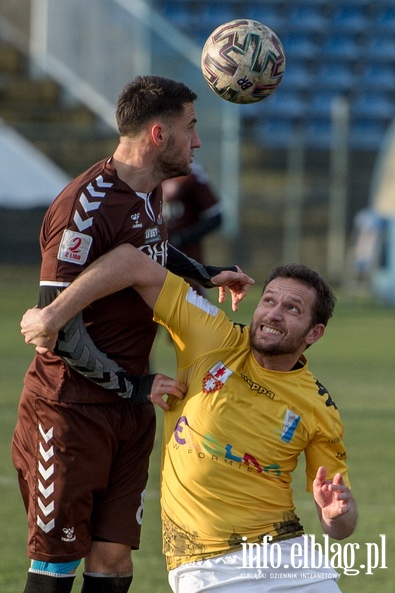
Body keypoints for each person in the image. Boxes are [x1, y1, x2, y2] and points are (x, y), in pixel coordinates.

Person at [12, 75, 253, 593]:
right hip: (69, 411)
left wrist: (205, 274)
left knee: (115, 561)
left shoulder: (150, 191)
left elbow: (147, 251)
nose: (199, 141)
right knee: (55, 569)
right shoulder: (86, 203)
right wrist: (134, 387)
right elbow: (54, 324)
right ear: (158, 134)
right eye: (192, 127)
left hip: (127, 409)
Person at [21, 244, 358, 593]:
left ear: (314, 333)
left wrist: (336, 515)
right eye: (269, 301)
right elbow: (130, 260)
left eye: (292, 309)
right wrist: (53, 315)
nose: (273, 314)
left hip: (293, 559)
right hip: (209, 567)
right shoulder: (214, 336)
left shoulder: (319, 407)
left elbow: (341, 526)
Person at [162, 163, 222, 293]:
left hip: (187, 258)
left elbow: (216, 217)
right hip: (154, 259)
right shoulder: (146, 171)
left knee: (191, 303)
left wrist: (182, 238)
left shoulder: (192, 176)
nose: (196, 144)